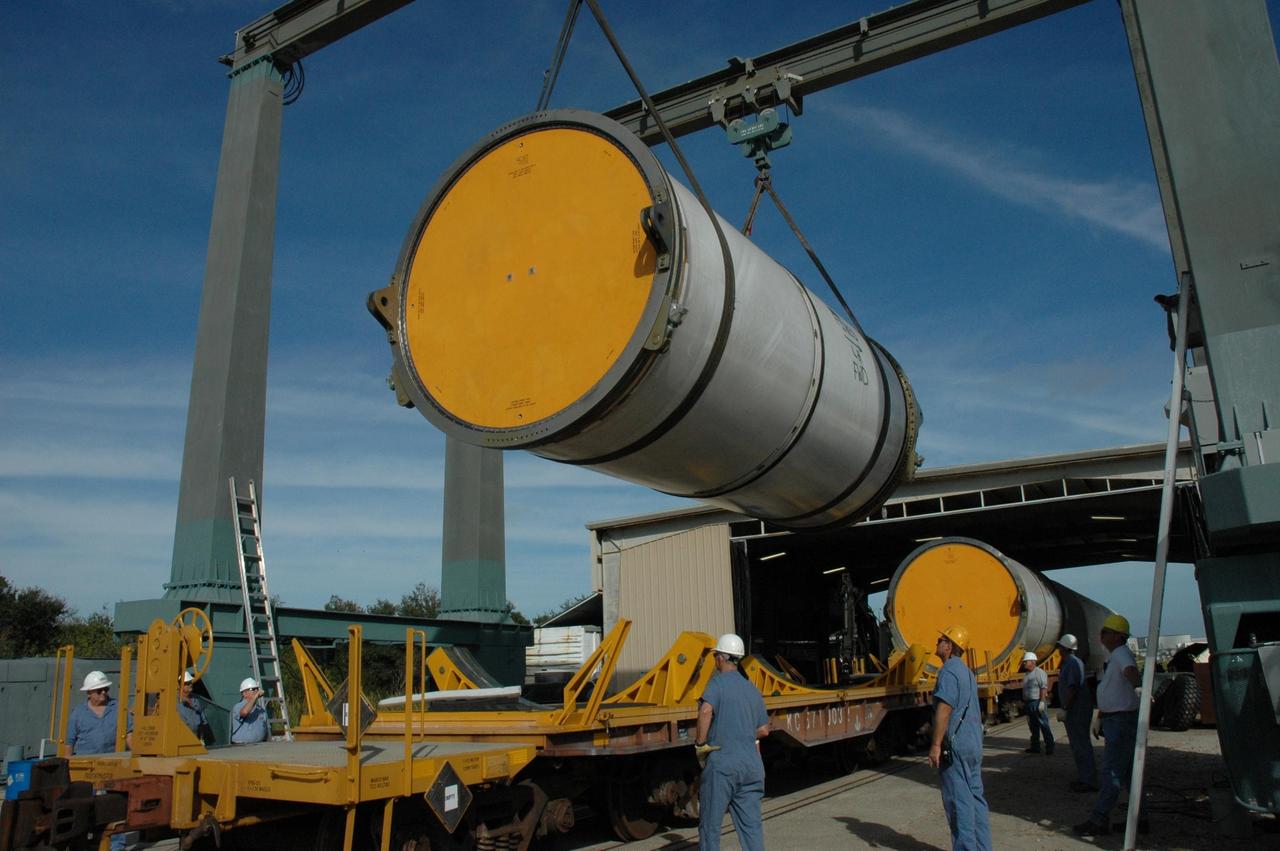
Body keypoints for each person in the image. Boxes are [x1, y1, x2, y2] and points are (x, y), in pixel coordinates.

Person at [695, 633, 769, 851]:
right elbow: (764, 729)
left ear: (721, 658)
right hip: (752, 766)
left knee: (710, 827)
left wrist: (700, 744)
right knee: (751, 828)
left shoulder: (717, 684)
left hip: (723, 765)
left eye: (715, 656)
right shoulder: (752, 689)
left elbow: (706, 710)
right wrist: (742, 731)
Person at [1074, 614, 1142, 837]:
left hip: (1121, 721)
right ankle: (1140, 819)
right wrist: (1101, 715)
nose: (1101, 635)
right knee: (1130, 773)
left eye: (1105, 632)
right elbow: (1113, 687)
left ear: (1117, 636)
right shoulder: (1114, 655)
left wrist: (1139, 688)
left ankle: (1099, 819)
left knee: (1112, 772)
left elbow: (1131, 671)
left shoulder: (1121, 654)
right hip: (1116, 718)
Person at [928, 625, 991, 851]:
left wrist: (936, 744)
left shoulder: (948, 672)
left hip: (956, 745)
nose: (937, 641)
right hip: (972, 743)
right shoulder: (966, 672)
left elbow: (945, 708)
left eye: (941, 638)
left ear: (950, 646)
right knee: (975, 799)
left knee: (958, 802)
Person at [1054, 634, 1097, 792]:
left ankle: (1088, 780)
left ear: (1064, 648)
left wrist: (1065, 707)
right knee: (1080, 744)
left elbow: (1073, 688)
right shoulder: (1073, 662)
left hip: (1076, 711)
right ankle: (1086, 777)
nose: (1058, 649)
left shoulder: (1071, 663)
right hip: (1077, 709)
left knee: (1080, 745)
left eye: (1060, 647)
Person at [67, 670, 131, 754]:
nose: (103, 692)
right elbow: (69, 743)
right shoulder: (77, 713)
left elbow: (129, 734)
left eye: (106, 689)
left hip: (114, 762)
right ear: (89, 692)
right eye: (99, 690)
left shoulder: (119, 708)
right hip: (86, 763)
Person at [1021, 651, 1054, 755]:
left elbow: (1044, 688)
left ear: (1033, 662)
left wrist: (1042, 702)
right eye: (1024, 662)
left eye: (1026, 662)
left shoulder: (1039, 673)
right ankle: (1035, 747)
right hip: (1029, 703)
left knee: (1043, 724)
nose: (1024, 663)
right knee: (1033, 726)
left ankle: (1049, 747)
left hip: (1037, 702)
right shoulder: (1027, 674)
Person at [229, 677, 269, 744]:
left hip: (258, 746)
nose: (256, 691)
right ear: (244, 693)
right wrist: (256, 696)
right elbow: (244, 712)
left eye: (257, 689)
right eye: (252, 689)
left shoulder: (261, 710)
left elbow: (266, 729)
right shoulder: (238, 706)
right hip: (242, 746)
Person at [177, 669, 212, 743]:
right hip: (180, 738)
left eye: (190, 682)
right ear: (179, 685)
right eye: (187, 683)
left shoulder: (195, 699)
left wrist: (202, 739)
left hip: (195, 738)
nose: (190, 684)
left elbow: (202, 720)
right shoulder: (174, 700)